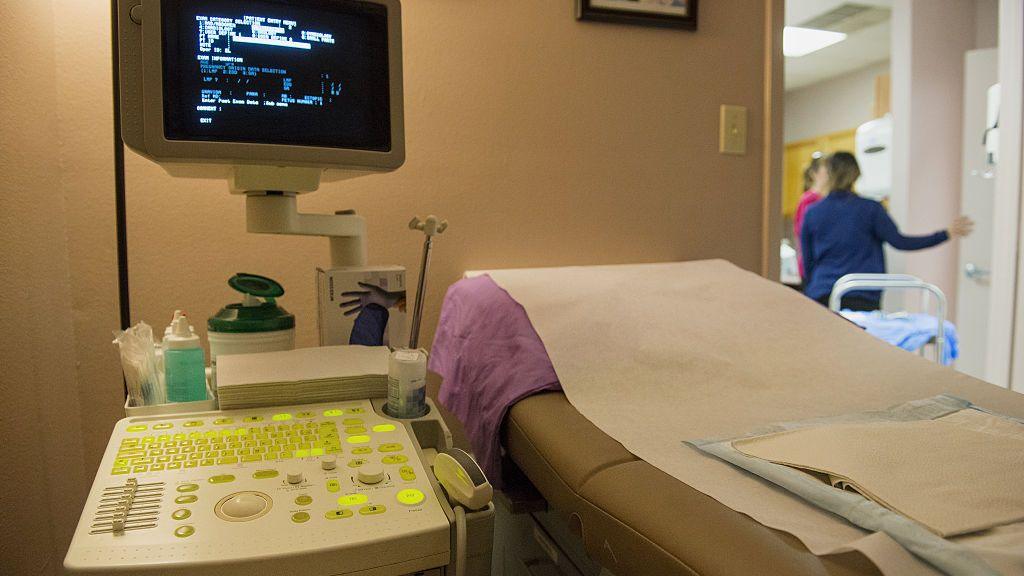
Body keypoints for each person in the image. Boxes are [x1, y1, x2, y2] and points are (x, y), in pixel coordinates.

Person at [800, 152, 973, 311]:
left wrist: (812, 290)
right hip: (861, 294)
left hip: (822, 294)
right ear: (856, 175)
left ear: (828, 174)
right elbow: (901, 242)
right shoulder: (870, 209)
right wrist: (945, 234)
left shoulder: (812, 212)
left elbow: (807, 261)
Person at [794, 153, 827, 282]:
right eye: (826, 170)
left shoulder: (822, 199)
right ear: (814, 174)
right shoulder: (810, 200)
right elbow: (803, 234)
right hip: (812, 266)